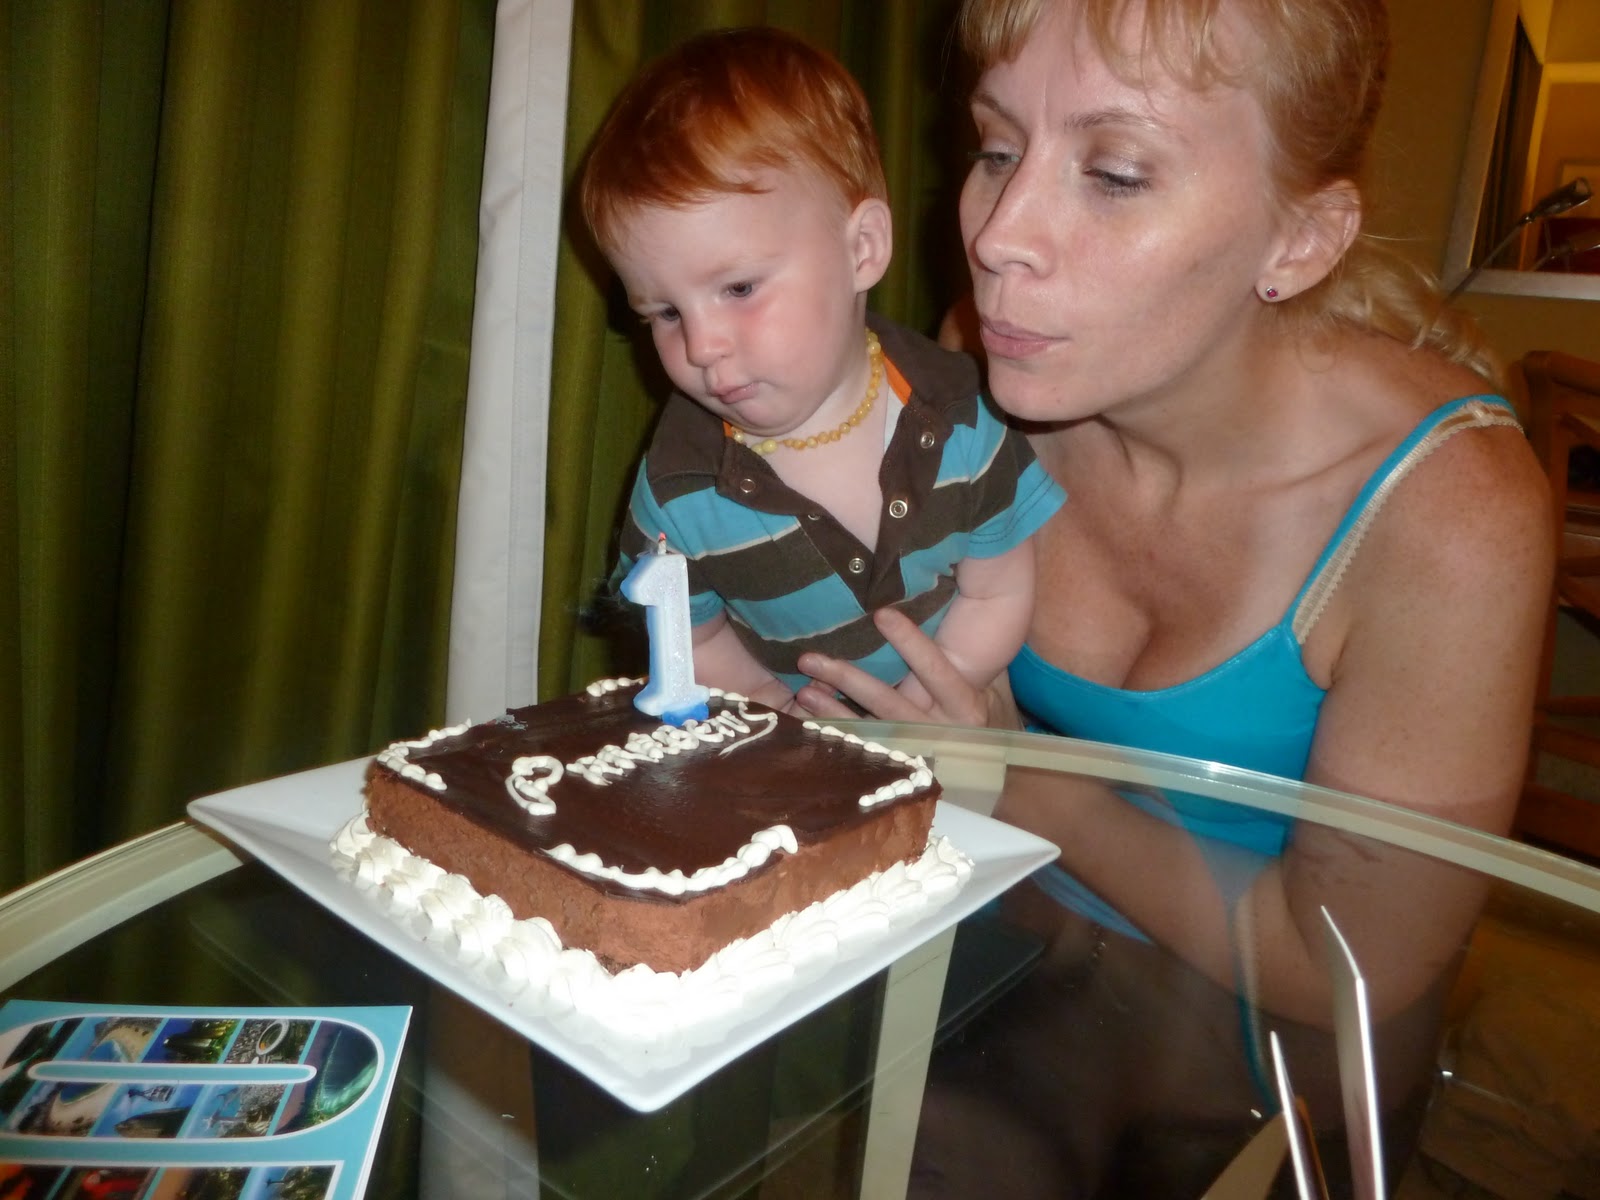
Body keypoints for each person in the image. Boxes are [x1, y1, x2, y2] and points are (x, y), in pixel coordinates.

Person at [794, 0, 1553, 1193]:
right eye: (997, 148)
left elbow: (1340, 967)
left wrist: (1017, 773)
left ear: (1298, 240)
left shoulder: (1448, 513)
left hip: (1281, 1046)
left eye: (1113, 173)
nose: (999, 236)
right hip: (1033, 937)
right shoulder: (984, 373)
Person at [578, 26, 1065, 715]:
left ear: (862, 249)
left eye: (739, 288)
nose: (702, 346)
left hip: (954, 720)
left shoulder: (960, 412)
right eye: (664, 313)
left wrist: (929, 697)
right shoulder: (677, 491)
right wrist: (774, 713)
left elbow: (998, 588)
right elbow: (695, 636)